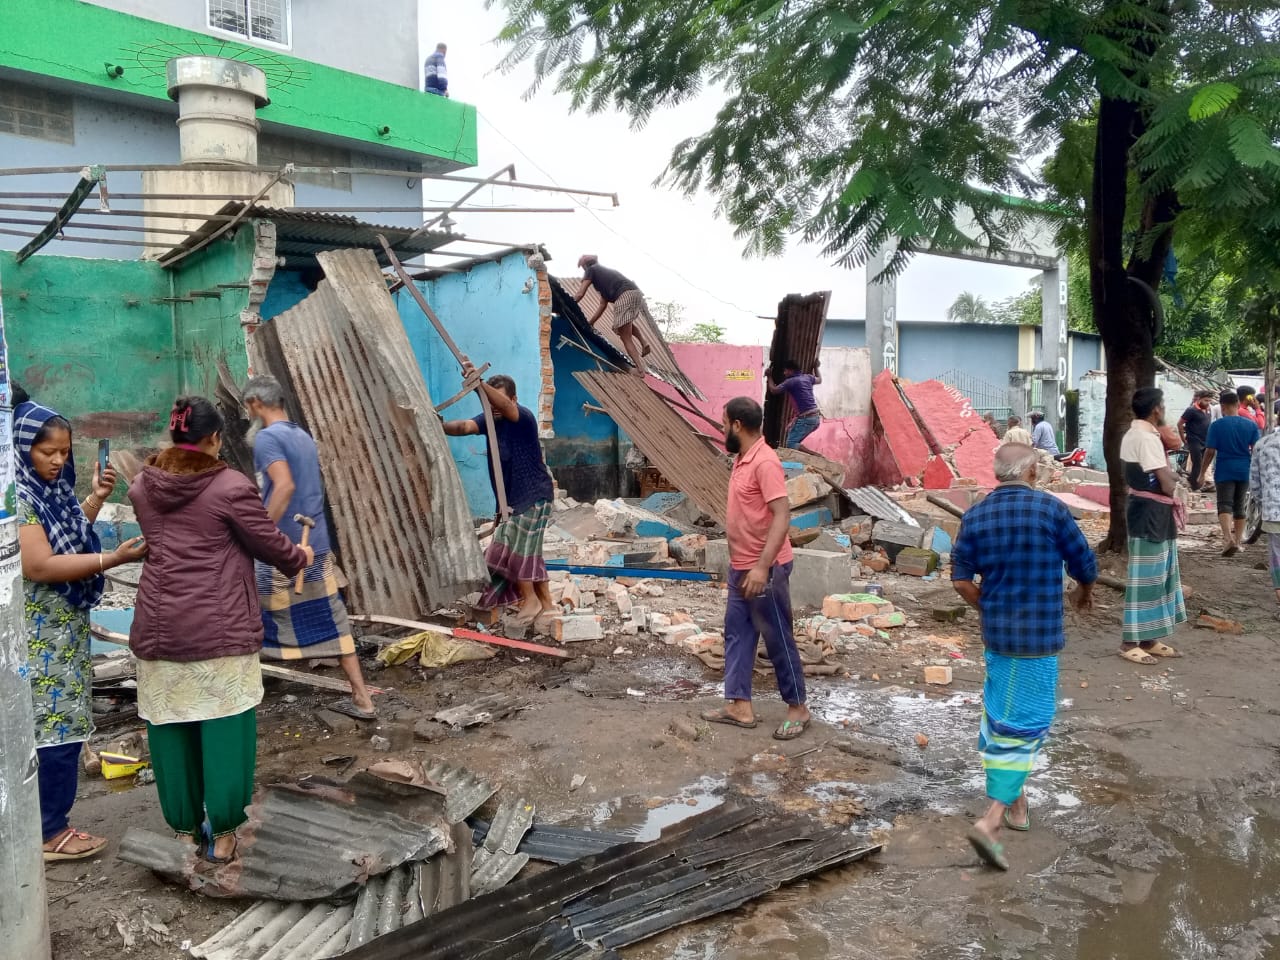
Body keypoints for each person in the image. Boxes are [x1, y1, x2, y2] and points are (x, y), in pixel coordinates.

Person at [129, 397, 312, 863]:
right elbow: (268, 543)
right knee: (226, 727)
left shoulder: (142, 487)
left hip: (160, 626)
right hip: (220, 627)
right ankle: (226, 834)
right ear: (213, 439)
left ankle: (184, 834)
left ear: (174, 437)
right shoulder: (230, 486)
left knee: (171, 728)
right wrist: (299, 558)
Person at [951, 443, 1097, 871]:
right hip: (1037, 640)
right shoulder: (1050, 511)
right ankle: (991, 820)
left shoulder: (976, 515)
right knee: (1024, 725)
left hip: (997, 637)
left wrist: (989, 606)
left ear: (998, 473)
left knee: (1000, 715)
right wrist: (1083, 592)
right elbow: (1084, 563)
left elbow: (960, 582)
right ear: (1033, 472)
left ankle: (1017, 808)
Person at [15, 402, 148, 860]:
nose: (56, 461)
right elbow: (39, 564)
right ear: (21, 447)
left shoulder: (50, 493)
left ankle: (45, 824)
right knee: (52, 728)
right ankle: (50, 831)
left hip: (62, 632)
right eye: (47, 452)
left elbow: (67, 539)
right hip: (40, 638)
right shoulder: (20, 498)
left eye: (63, 452)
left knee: (63, 723)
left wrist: (92, 499)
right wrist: (113, 559)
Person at [242, 376, 376, 720]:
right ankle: (362, 698)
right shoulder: (302, 436)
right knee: (331, 618)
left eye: (248, 406)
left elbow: (283, 486)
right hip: (313, 544)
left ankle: (240, 701)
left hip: (282, 548)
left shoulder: (268, 438)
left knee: (247, 620)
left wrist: (261, 531)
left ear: (256, 402)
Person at [700, 397, 812, 741]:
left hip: (766, 569)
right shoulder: (741, 459)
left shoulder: (765, 462)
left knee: (777, 637)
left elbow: (782, 514)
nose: (721, 429)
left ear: (736, 424)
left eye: (723, 423)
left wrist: (762, 567)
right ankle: (739, 705)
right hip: (742, 567)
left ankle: (798, 709)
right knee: (737, 633)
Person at [443, 362, 556, 625]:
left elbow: (505, 407)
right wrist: (438, 425)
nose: (494, 408)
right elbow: (463, 427)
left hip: (534, 495)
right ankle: (547, 606)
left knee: (518, 550)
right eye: (488, 403)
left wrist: (478, 384)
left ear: (514, 399)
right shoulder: (490, 420)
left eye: (498, 401)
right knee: (521, 550)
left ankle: (531, 600)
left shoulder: (522, 417)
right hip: (514, 501)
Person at [1120, 387, 1186, 665]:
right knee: (1146, 578)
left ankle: (1148, 637)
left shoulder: (1138, 434)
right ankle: (1129, 641)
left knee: (1159, 574)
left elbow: (1162, 475)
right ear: (1157, 409)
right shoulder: (1146, 438)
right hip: (1150, 512)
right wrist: (1174, 481)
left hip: (1151, 510)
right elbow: (1167, 480)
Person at [1200, 390, 1261, 556]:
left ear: (1223, 406)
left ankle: (1228, 539)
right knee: (1239, 505)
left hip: (1224, 469)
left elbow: (1210, 451)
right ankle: (1239, 541)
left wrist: (1202, 473)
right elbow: (1256, 450)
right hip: (1244, 469)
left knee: (1224, 504)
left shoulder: (1216, 426)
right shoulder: (1251, 425)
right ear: (1237, 404)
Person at [575, 255, 653, 375]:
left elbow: (580, 293)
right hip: (635, 294)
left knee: (625, 337)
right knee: (626, 322)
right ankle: (644, 342)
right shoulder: (606, 275)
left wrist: (573, 303)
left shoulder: (591, 270)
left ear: (585, 265)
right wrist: (591, 323)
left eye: (583, 268)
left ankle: (640, 370)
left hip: (623, 296)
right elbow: (602, 305)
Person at [1250, 425, 1280, 615]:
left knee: (1277, 556)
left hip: (1273, 510)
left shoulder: (1263, 444)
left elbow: (1254, 483)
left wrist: (1265, 502)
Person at [766, 359, 823, 448]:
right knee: (793, 438)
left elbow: (774, 390)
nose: (784, 373)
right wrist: (816, 367)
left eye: (785, 370)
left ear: (791, 370)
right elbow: (819, 380)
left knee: (791, 444)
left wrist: (769, 376)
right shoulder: (808, 377)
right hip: (815, 418)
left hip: (806, 419)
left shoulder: (791, 381)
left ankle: (815, 457)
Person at [1178, 390, 1214, 491]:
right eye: (1206, 400)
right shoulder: (1191, 410)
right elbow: (1180, 424)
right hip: (1194, 440)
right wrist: (1183, 439)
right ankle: (1194, 485)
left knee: (1204, 464)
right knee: (1197, 463)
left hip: (1205, 440)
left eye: (1209, 401)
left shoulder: (1208, 409)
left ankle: (1196, 483)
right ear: (1199, 399)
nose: (1208, 403)